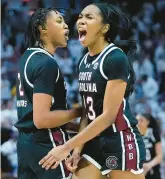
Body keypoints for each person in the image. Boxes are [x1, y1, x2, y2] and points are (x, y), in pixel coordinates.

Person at [39, 3, 146, 179]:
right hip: (92, 140)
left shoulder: (115, 57)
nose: (81, 21)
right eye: (80, 16)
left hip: (118, 140)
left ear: (105, 28)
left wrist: (66, 146)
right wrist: (76, 149)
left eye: (89, 17)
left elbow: (108, 116)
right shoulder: (83, 62)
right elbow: (88, 113)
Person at [15, 7, 82, 179]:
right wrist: (79, 112)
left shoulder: (27, 58)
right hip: (47, 143)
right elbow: (41, 119)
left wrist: (73, 126)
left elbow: (31, 115)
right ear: (42, 28)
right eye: (59, 21)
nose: (66, 26)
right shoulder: (46, 63)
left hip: (25, 145)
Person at [136, 113, 163, 179]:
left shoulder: (154, 134)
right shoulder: (132, 135)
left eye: (141, 120)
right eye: (137, 120)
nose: (138, 123)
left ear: (148, 122)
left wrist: (149, 165)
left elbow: (160, 156)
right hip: (137, 171)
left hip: (153, 170)